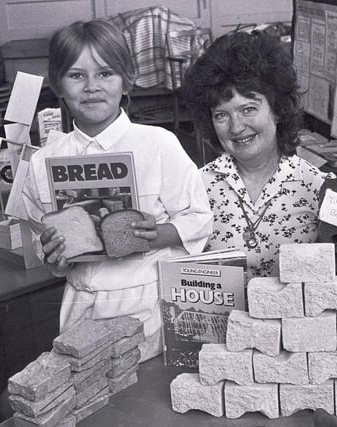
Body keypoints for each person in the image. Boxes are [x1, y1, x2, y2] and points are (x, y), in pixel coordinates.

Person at [21, 19, 213, 362]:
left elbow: (199, 218)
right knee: (90, 397)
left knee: (145, 401)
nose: (92, 87)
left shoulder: (158, 143)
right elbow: (41, 236)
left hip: (149, 302)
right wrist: (50, 252)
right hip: (82, 305)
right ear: (58, 85)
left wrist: (157, 234)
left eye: (106, 73)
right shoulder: (43, 162)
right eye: (77, 75)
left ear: (127, 80)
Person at [181, 30, 333, 279]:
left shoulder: (317, 187)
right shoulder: (195, 187)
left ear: (278, 110)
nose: (236, 127)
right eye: (222, 115)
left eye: (248, 109)